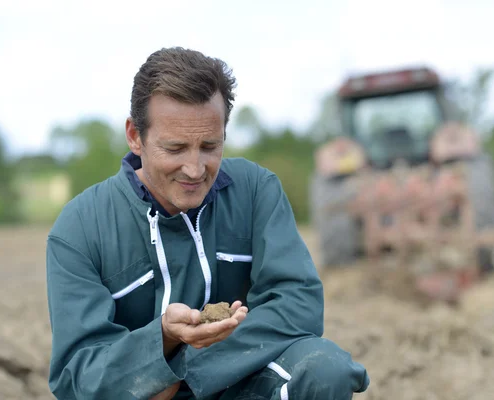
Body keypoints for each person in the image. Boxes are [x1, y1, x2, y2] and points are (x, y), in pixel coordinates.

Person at [46, 47, 370, 400]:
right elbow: (74, 375)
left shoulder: (256, 189)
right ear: (135, 136)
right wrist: (163, 340)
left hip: (238, 382)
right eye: (175, 148)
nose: (195, 169)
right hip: (144, 394)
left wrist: (188, 363)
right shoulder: (79, 228)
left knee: (326, 368)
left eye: (210, 146)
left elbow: (299, 303)